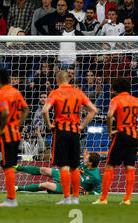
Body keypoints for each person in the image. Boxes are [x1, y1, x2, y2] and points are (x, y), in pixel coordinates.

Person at [42, 70, 99, 205]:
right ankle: (75, 199)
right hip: (74, 132)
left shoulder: (55, 92)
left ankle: (66, 198)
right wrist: (81, 126)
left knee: (63, 167)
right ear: (69, 80)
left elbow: (45, 110)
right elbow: (94, 110)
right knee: (74, 167)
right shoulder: (78, 92)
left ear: (57, 80)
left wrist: (49, 124)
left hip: (61, 132)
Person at [93, 77, 138, 205]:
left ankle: (103, 198)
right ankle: (127, 199)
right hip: (133, 137)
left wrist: (109, 131)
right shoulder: (135, 100)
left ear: (116, 89)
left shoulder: (116, 100)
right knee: (129, 167)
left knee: (110, 166)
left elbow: (109, 115)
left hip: (121, 135)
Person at [0, 68, 29, 207]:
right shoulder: (16, 92)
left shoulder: (2, 93)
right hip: (15, 134)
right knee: (8, 165)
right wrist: (18, 125)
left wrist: (1, 129)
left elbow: (5, 113)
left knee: (7, 166)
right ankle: (11, 198)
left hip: (6, 136)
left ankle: (11, 199)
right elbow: (26, 109)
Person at [16, 152, 102, 195]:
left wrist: (86, 193)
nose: (84, 159)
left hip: (70, 187)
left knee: (45, 185)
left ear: (90, 163)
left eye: (86, 159)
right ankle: (17, 168)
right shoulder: (85, 164)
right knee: (44, 170)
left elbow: (98, 193)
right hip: (65, 175)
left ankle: (17, 188)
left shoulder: (96, 177)